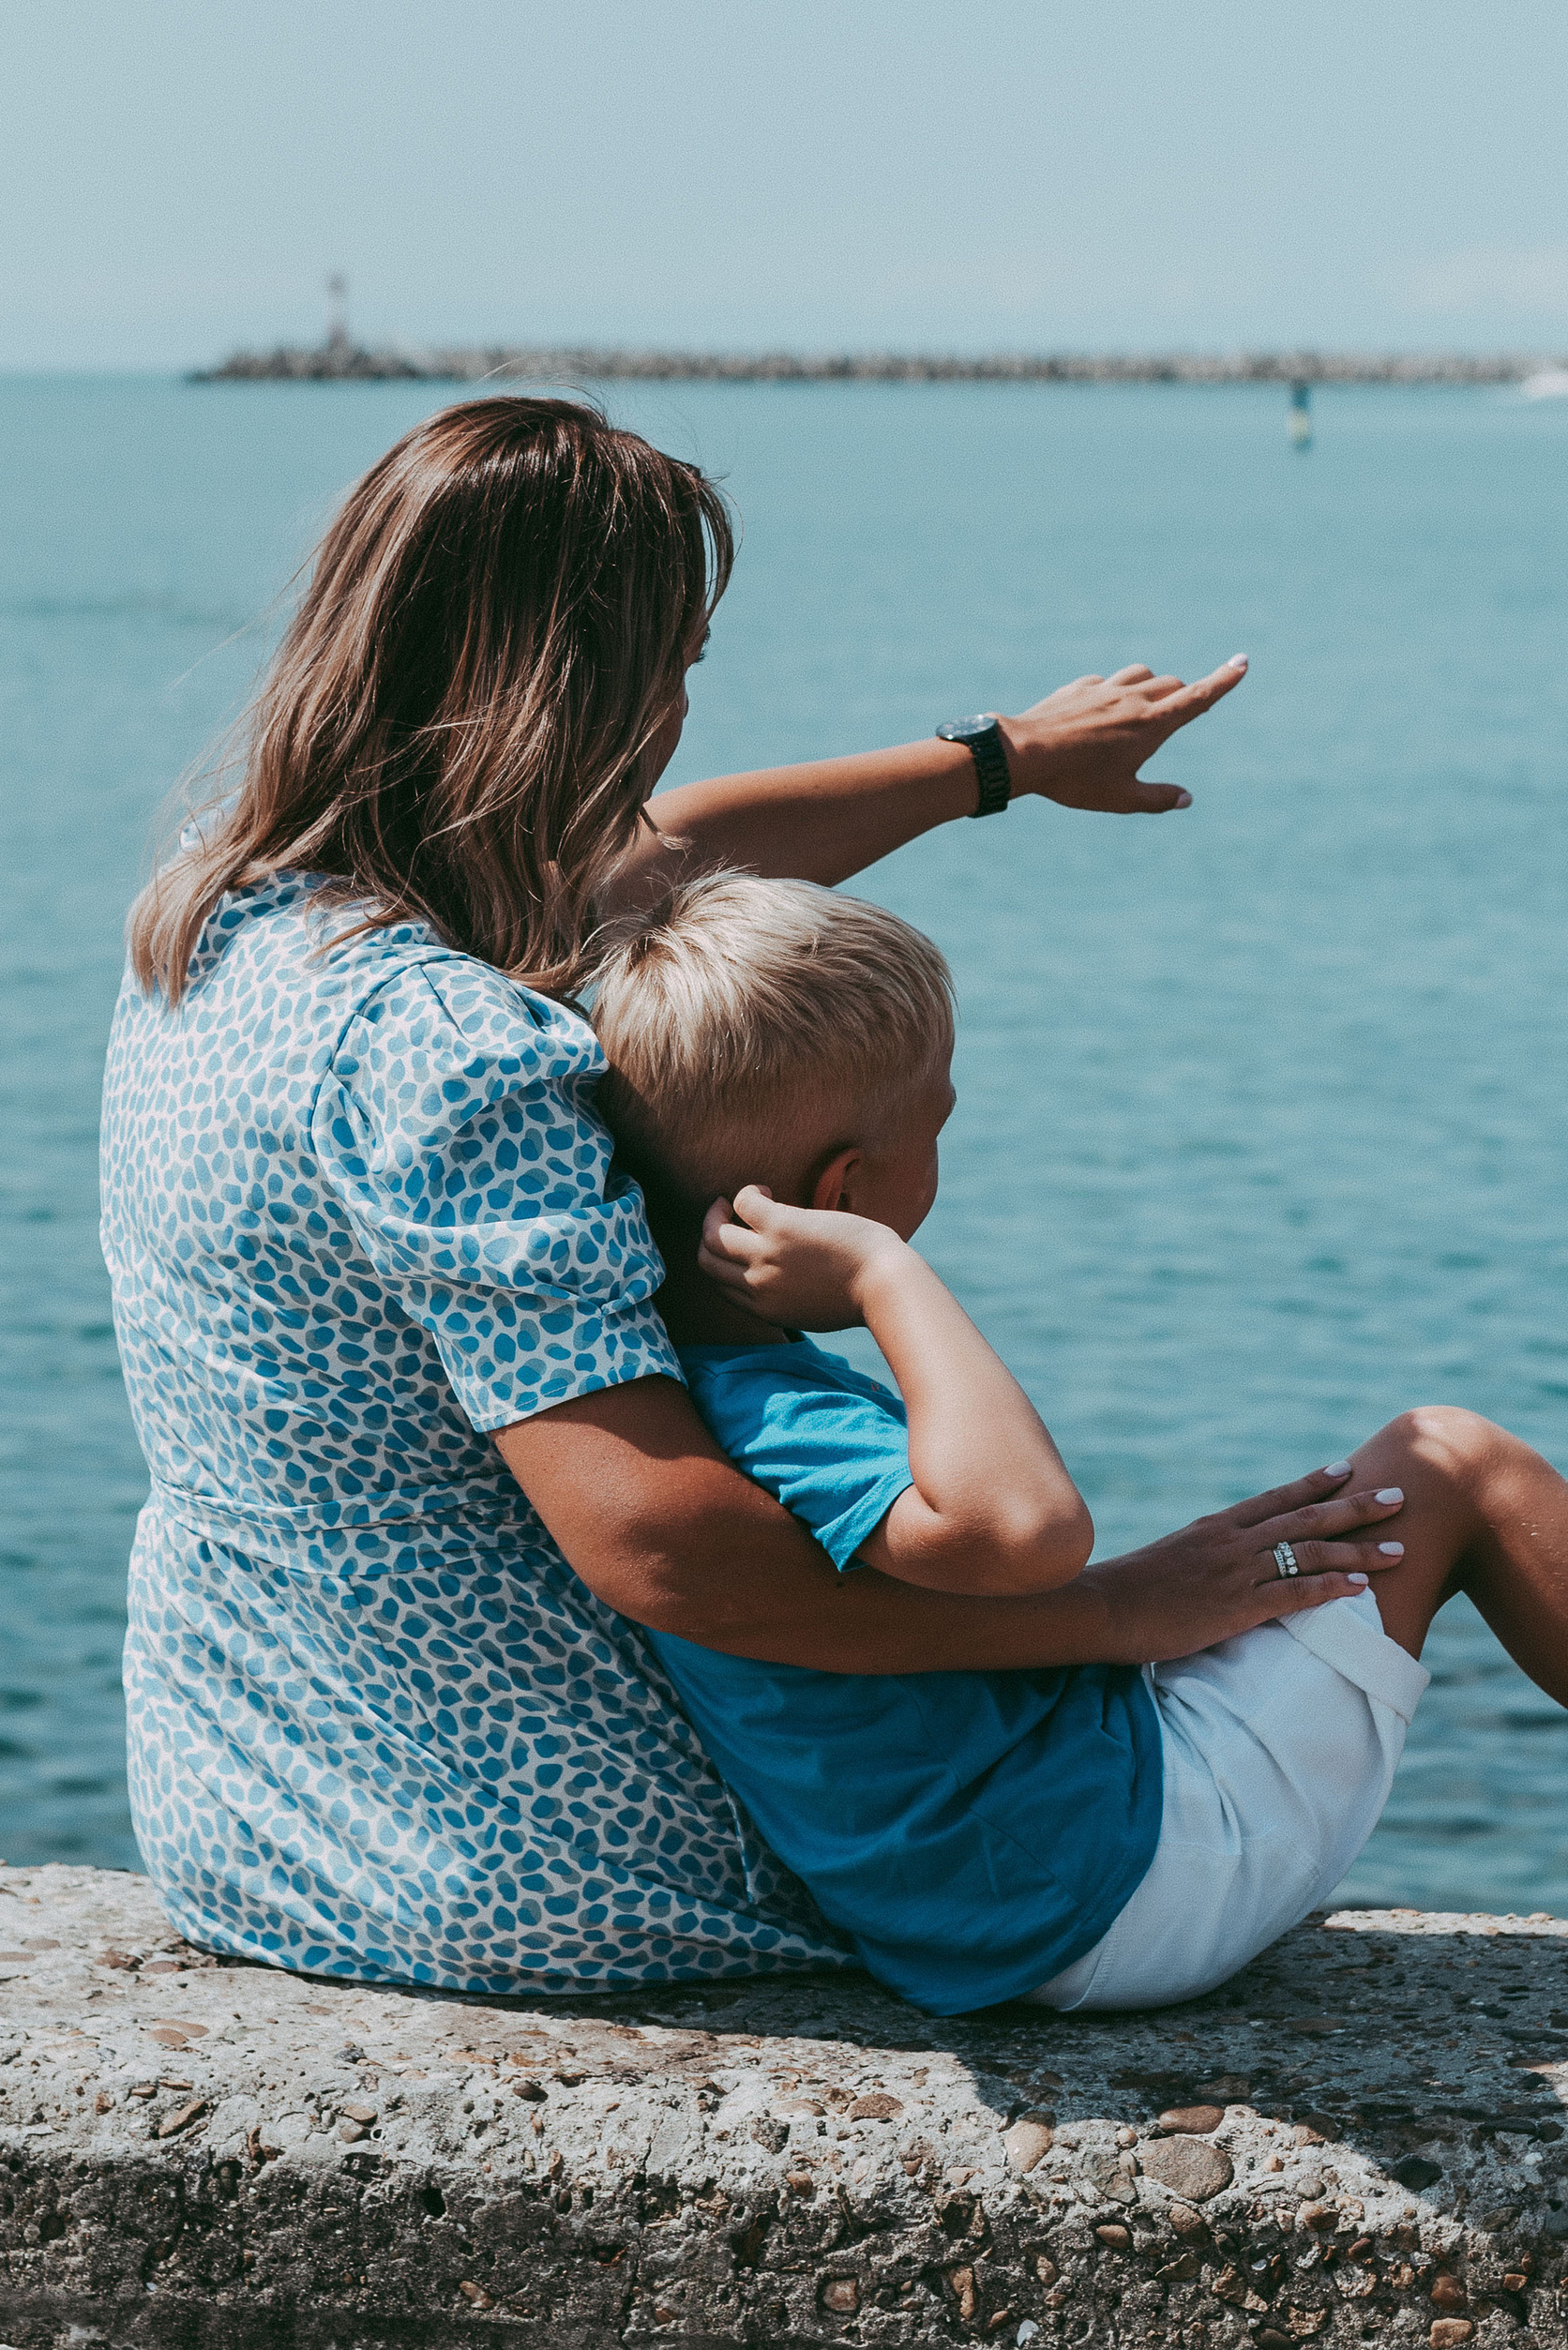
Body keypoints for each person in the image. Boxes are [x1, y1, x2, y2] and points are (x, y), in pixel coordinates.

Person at [100, 390, 1400, 1990]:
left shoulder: (222, 913)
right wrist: (1123, 1608)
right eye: (679, 667)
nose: (684, 714)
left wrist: (1004, 761)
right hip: (507, 1852)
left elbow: (680, 842)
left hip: (255, 1814)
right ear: (580, 691)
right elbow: (667, 1552)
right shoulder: (443, 1046)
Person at [582, 869, 1568, 2010]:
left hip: (990, 1895)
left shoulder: (674, 1392)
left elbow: (956, 1596)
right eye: (941, 1121)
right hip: (1113, 1885)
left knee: (1312, 1523)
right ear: (843, 1187)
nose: (950, 1144)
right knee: (1451, 1461)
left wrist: (1152, 1605)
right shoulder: (777, 1408)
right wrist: (891, 1277)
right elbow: (1028, 1527)